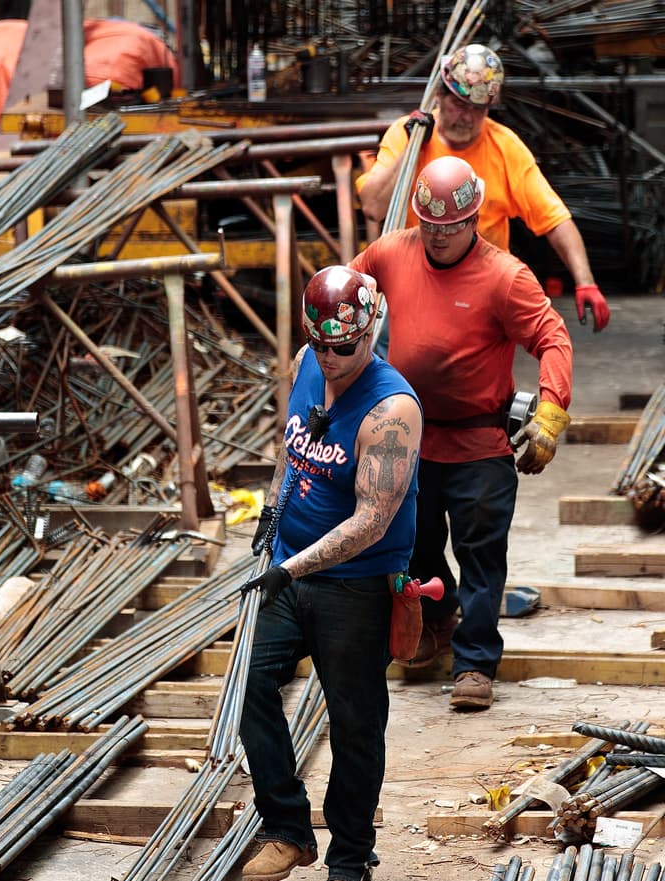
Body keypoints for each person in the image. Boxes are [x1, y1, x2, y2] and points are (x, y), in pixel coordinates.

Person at [349, 155, 573, 712]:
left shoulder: (506, 277)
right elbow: (346, 290)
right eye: (430, 225)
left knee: (481, 555)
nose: (440, 236)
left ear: (475, 219)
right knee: (415, 546)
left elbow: (553, 338)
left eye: (451, 226)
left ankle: (475, 663)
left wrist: (550, 413)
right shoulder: (392, 254)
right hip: (412, 442)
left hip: (480, 445)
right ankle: (439, 618)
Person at [234, 266, 422, 881]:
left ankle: (349, 854)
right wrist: (270, 522)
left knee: (354, 720)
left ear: (371, 333)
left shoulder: (391, 410)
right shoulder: (309, 362)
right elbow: (292, 454)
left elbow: (371, 520)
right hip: (289, 566)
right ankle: (288, 828)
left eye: (345, 348)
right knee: (251, 686)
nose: (332, 358)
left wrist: (289, 568)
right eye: (321, 345)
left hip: (357, 582)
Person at [355, 43, 610, 332]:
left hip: (479, 291)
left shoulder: (505, 147)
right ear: (439, 94)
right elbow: (373, 207)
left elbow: (554, 219)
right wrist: (411, 152)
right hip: (413, 286)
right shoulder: (409, 135)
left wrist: (585, 281)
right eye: (459, 105)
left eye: (478, 110)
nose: (466, 117)